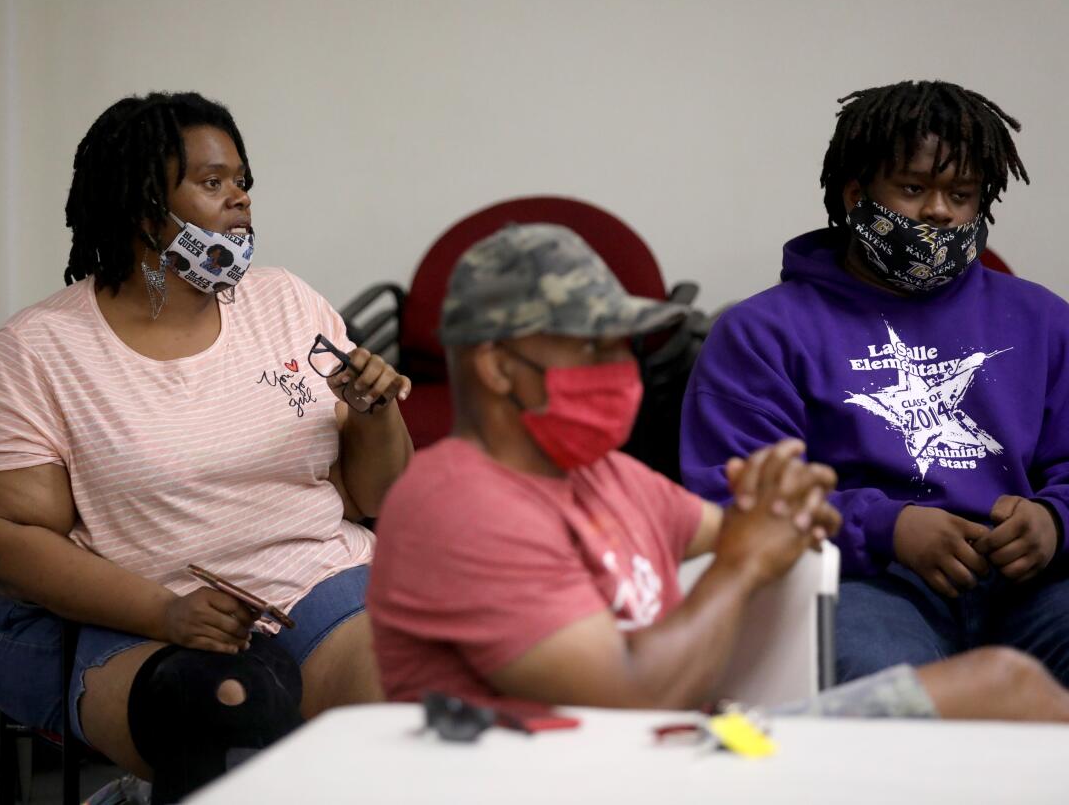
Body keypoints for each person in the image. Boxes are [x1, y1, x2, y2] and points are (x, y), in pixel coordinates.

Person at [367, 223, 1069, 722]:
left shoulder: (604, 475)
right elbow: (627, 699)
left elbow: (749, 526)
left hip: (691, 751)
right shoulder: (458, 503)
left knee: (1005, 686)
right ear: (495, 366)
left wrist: (796, 506)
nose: (621, 371)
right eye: (592, 348)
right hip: (579, 773)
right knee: (991, 697)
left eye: (624, 346)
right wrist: (740, 564)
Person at [0, 92, 413, 803]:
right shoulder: (43, 346)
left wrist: (374, 415)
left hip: (316, 581)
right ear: (141, 206)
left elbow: (378, 496)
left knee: (416, 700)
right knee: (225, 707)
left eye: (243, 181)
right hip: (146, 609)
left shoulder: (286, 301)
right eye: (213, 182)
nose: (241, 200)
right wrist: (164, 613)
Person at [679, 80, 1069, 686]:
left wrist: (1055, 520)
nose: (939, 211)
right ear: (856, 194)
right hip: (863, 582)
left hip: (1031, 587)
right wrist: (883, 527)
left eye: (961, 194)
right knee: (886, 692)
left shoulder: (1045, 319)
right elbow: (731, 502)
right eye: (913, 188)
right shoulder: (760, 333)